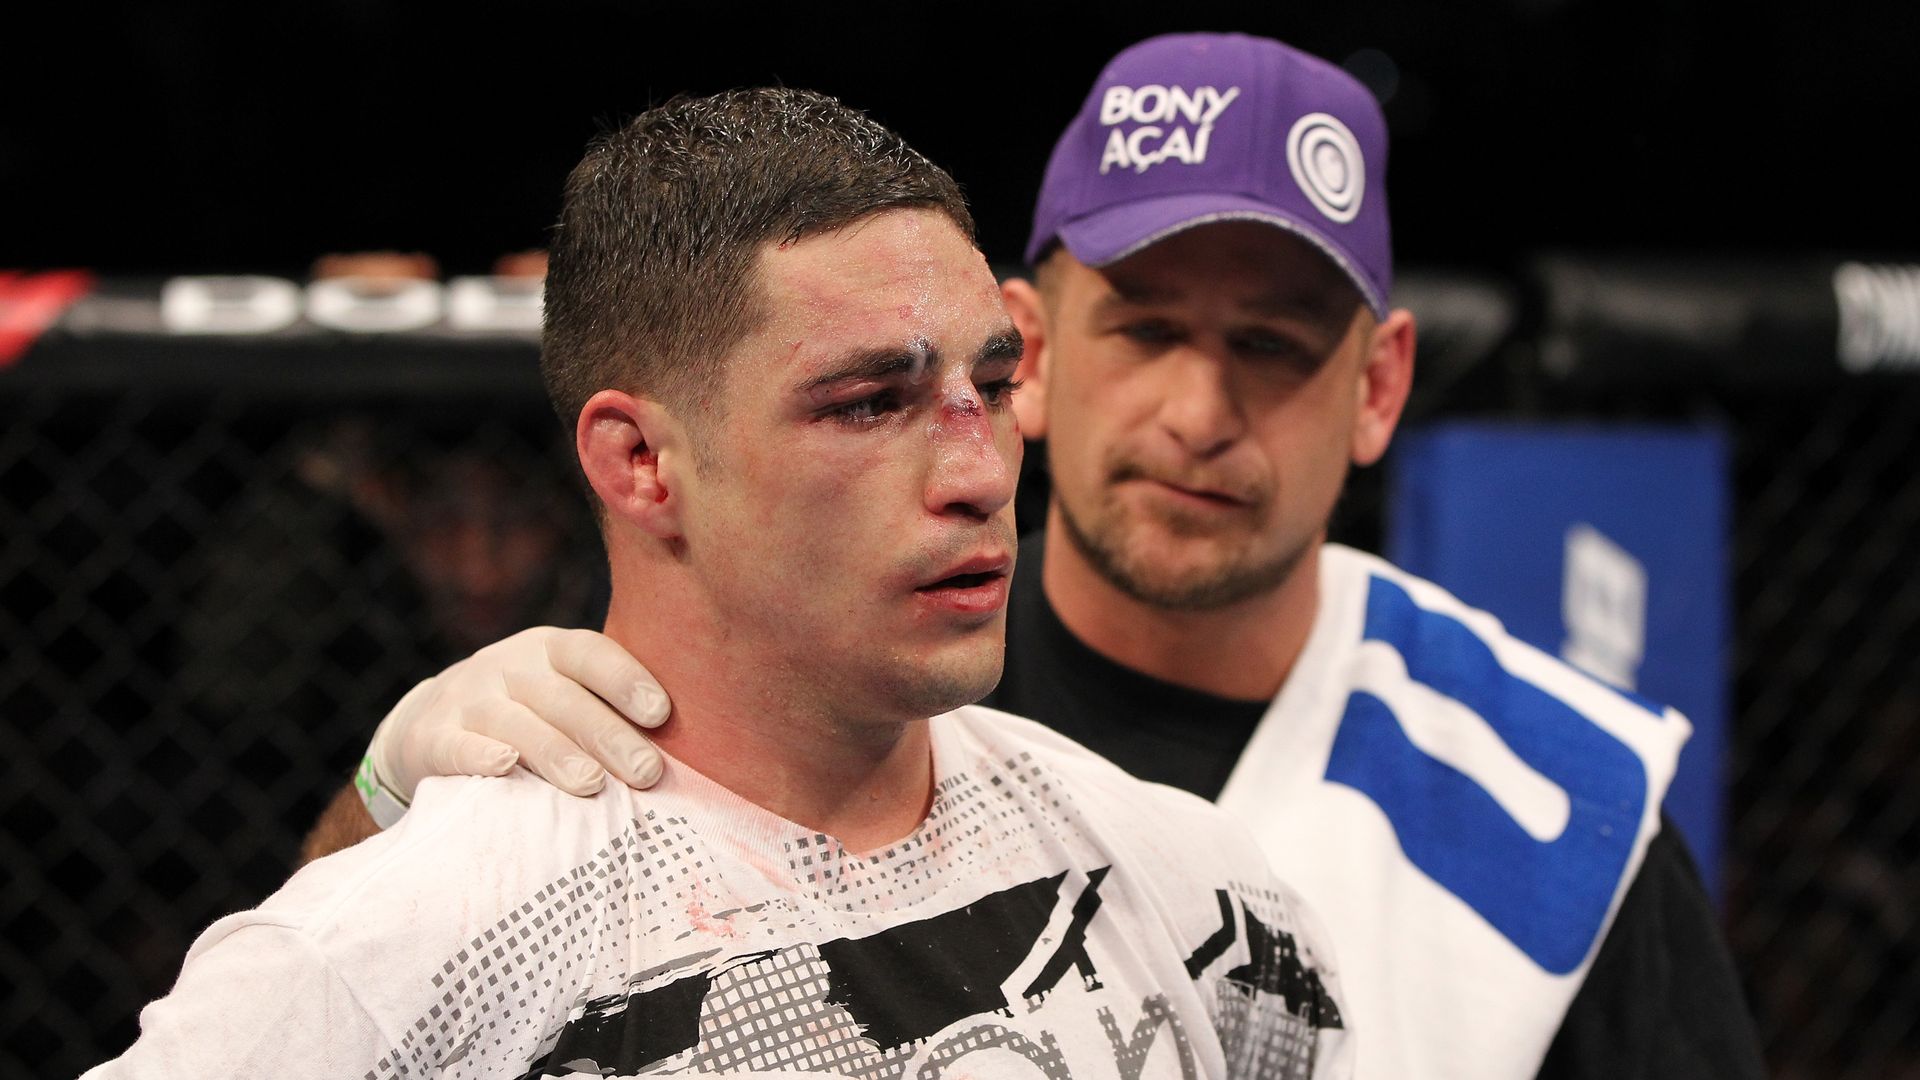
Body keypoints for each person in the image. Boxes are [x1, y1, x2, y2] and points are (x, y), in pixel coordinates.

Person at [316, 33, 1765, 1079]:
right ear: (1037, 352)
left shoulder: (1561, 803)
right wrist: (390, 790)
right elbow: (371, 977)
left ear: (1379, 386)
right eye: (1146, 329)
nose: (1199, 417)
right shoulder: (813, 653)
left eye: (1270, 347)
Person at [89, 87, 1353, 1078]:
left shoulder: (1179, 879)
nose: (979, 471)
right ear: (641, 462)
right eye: (870, 402)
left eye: (996, 387)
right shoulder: (412, 943)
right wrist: (379, 801)